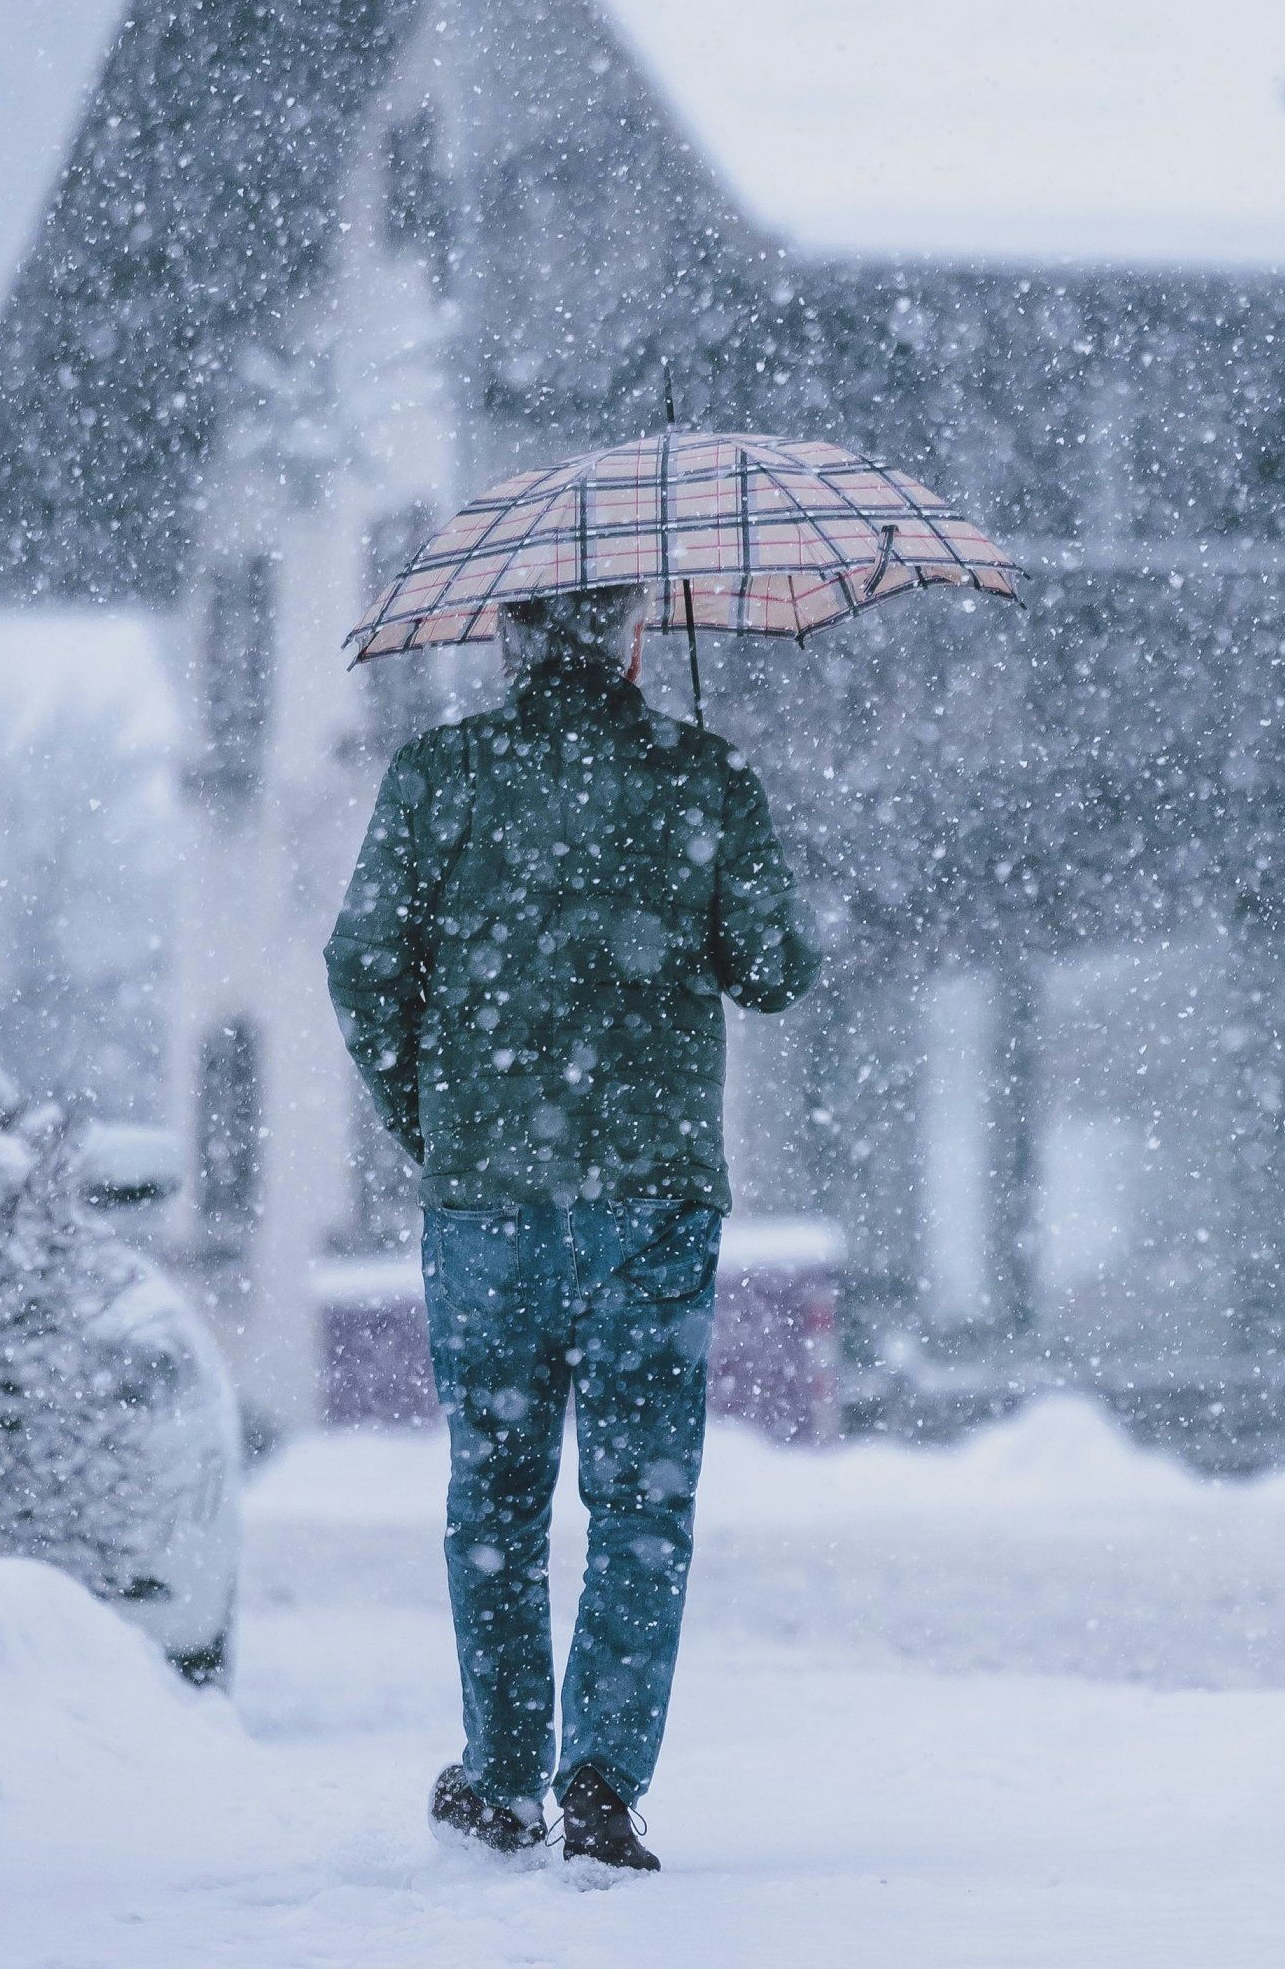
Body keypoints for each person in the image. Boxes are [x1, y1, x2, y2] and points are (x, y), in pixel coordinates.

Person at [325, 581, 821, 1871]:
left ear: (508, 637)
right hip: (652, 1203)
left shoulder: (438, 778)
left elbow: (361, 962)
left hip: (489, 1206)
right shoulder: (701, 775)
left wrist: (435, 1123)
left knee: (494, 1491)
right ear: (635, 637)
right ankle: (601, 1775)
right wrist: (714, 820)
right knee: (640, 1497)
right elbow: (774, 972)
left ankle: (499, 1775)